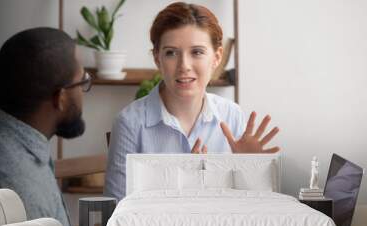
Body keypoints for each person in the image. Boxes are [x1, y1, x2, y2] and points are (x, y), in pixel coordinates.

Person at [104, 2, 280, 201]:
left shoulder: (232, 116)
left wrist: (252, 171)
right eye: (171, 53)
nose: (184, 66)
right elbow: (115, 212)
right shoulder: (130, 123)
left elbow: (253, 211)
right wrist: (185, 189)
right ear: (157, 58)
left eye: (197, 52)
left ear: (216, 57)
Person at [0, 27, 92, 226]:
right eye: (82, 81)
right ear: (60, 98)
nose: (83, 93)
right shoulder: (24, 193)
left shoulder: (2, 147)